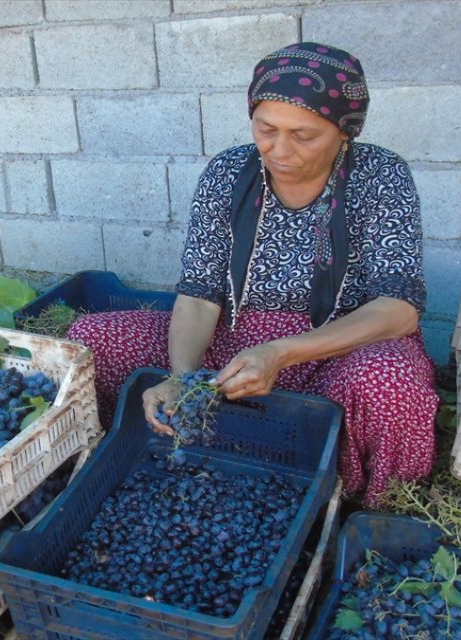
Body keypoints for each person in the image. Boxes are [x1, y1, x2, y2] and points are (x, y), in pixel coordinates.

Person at [67, 43, 439, 505]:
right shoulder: (227, 173)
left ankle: (363, 509)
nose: (280, 150)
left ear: (346, 130)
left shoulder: (380, 176)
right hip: (236, 340)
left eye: (304, 135)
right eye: (266, 129)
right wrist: (184, 379)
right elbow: (200, 295)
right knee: (91, 337)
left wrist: (282, 353)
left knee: (389, 384)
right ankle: (144, 461)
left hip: (340, 346)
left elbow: (398, 310)